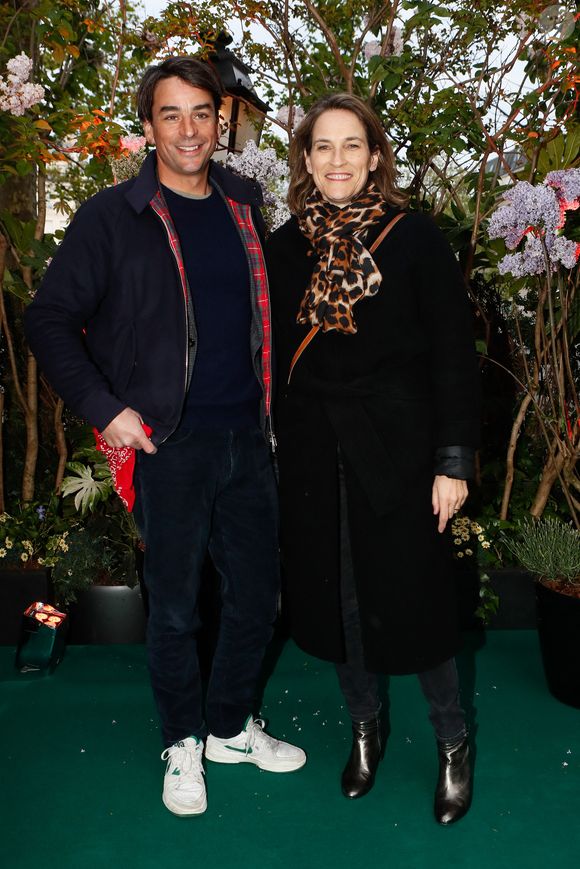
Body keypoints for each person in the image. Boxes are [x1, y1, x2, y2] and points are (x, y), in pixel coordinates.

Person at [25, 56, 305, 818]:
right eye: (171, 115)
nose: (188, 129)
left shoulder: (247, 205)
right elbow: (48, 320)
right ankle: (181, 739)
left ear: (224, 121)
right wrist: (105, 407)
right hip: (166, 443)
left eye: (202, 113)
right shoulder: (113, 215)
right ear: (148, 127)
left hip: (248, 435)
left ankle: (227, 726)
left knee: (256, 599)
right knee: (176, 607)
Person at [266, 93, 480, 825]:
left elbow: (454, 352)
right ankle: (366, 725)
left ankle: (454, 739)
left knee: (418, 601)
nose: (336, 160)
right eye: (322, 146)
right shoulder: (283, 245)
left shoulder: (414, 238)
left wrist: (452, 460)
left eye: (351, 145)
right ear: (304, 159)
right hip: (313, 452)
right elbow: (267, 358)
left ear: (376, 155)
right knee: (340, 601)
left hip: (401, 449)